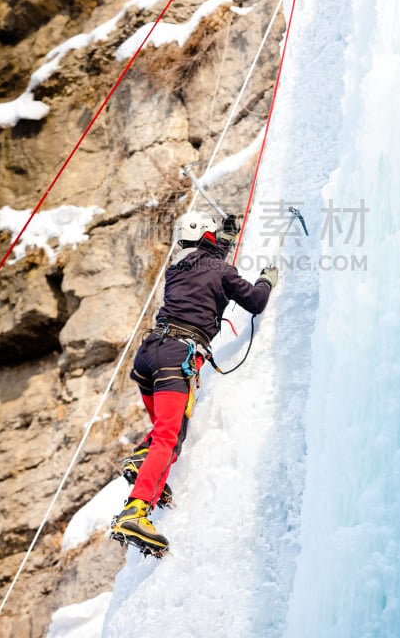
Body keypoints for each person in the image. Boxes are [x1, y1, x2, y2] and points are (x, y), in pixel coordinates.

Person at [110, 210, 278, 556]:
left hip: (148, 357)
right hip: (177, 358)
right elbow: (255, 301)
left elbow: (208, 264)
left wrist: (222, 239)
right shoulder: (219, 270)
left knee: (166, 431)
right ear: (207, 237)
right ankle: (136, 510)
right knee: (169, 438)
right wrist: (267, 279)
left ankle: (143, 461)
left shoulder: (176, 270)